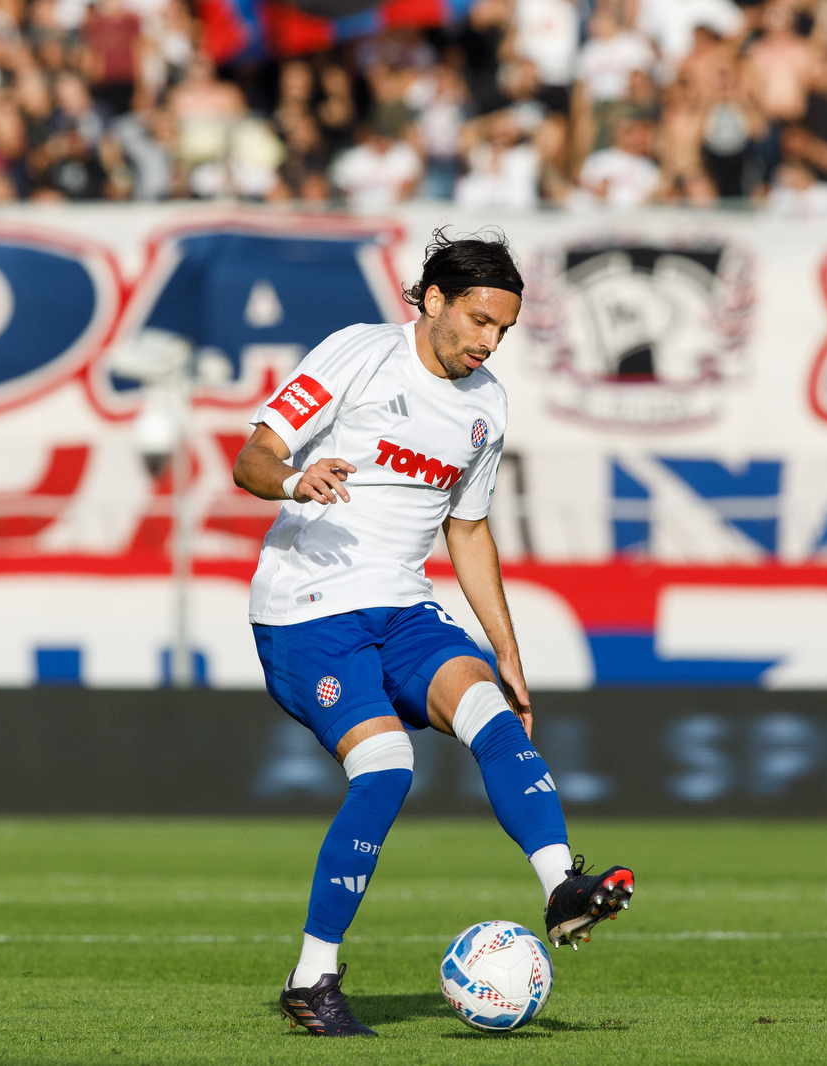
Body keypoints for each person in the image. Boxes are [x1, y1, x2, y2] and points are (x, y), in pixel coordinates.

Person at [233, 231, 635, 1038]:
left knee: (488, 708)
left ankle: (562, 886)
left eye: (504, 331)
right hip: (307, 609)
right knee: (387, 767)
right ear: (436, 300)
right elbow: (253, 458)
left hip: (402, 605)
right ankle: (313, 977)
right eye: (480, 321)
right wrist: (294, 479)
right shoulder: (360, 355)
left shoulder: (486, 405)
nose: (489, 343)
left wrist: (509, 654)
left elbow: (471, 531)